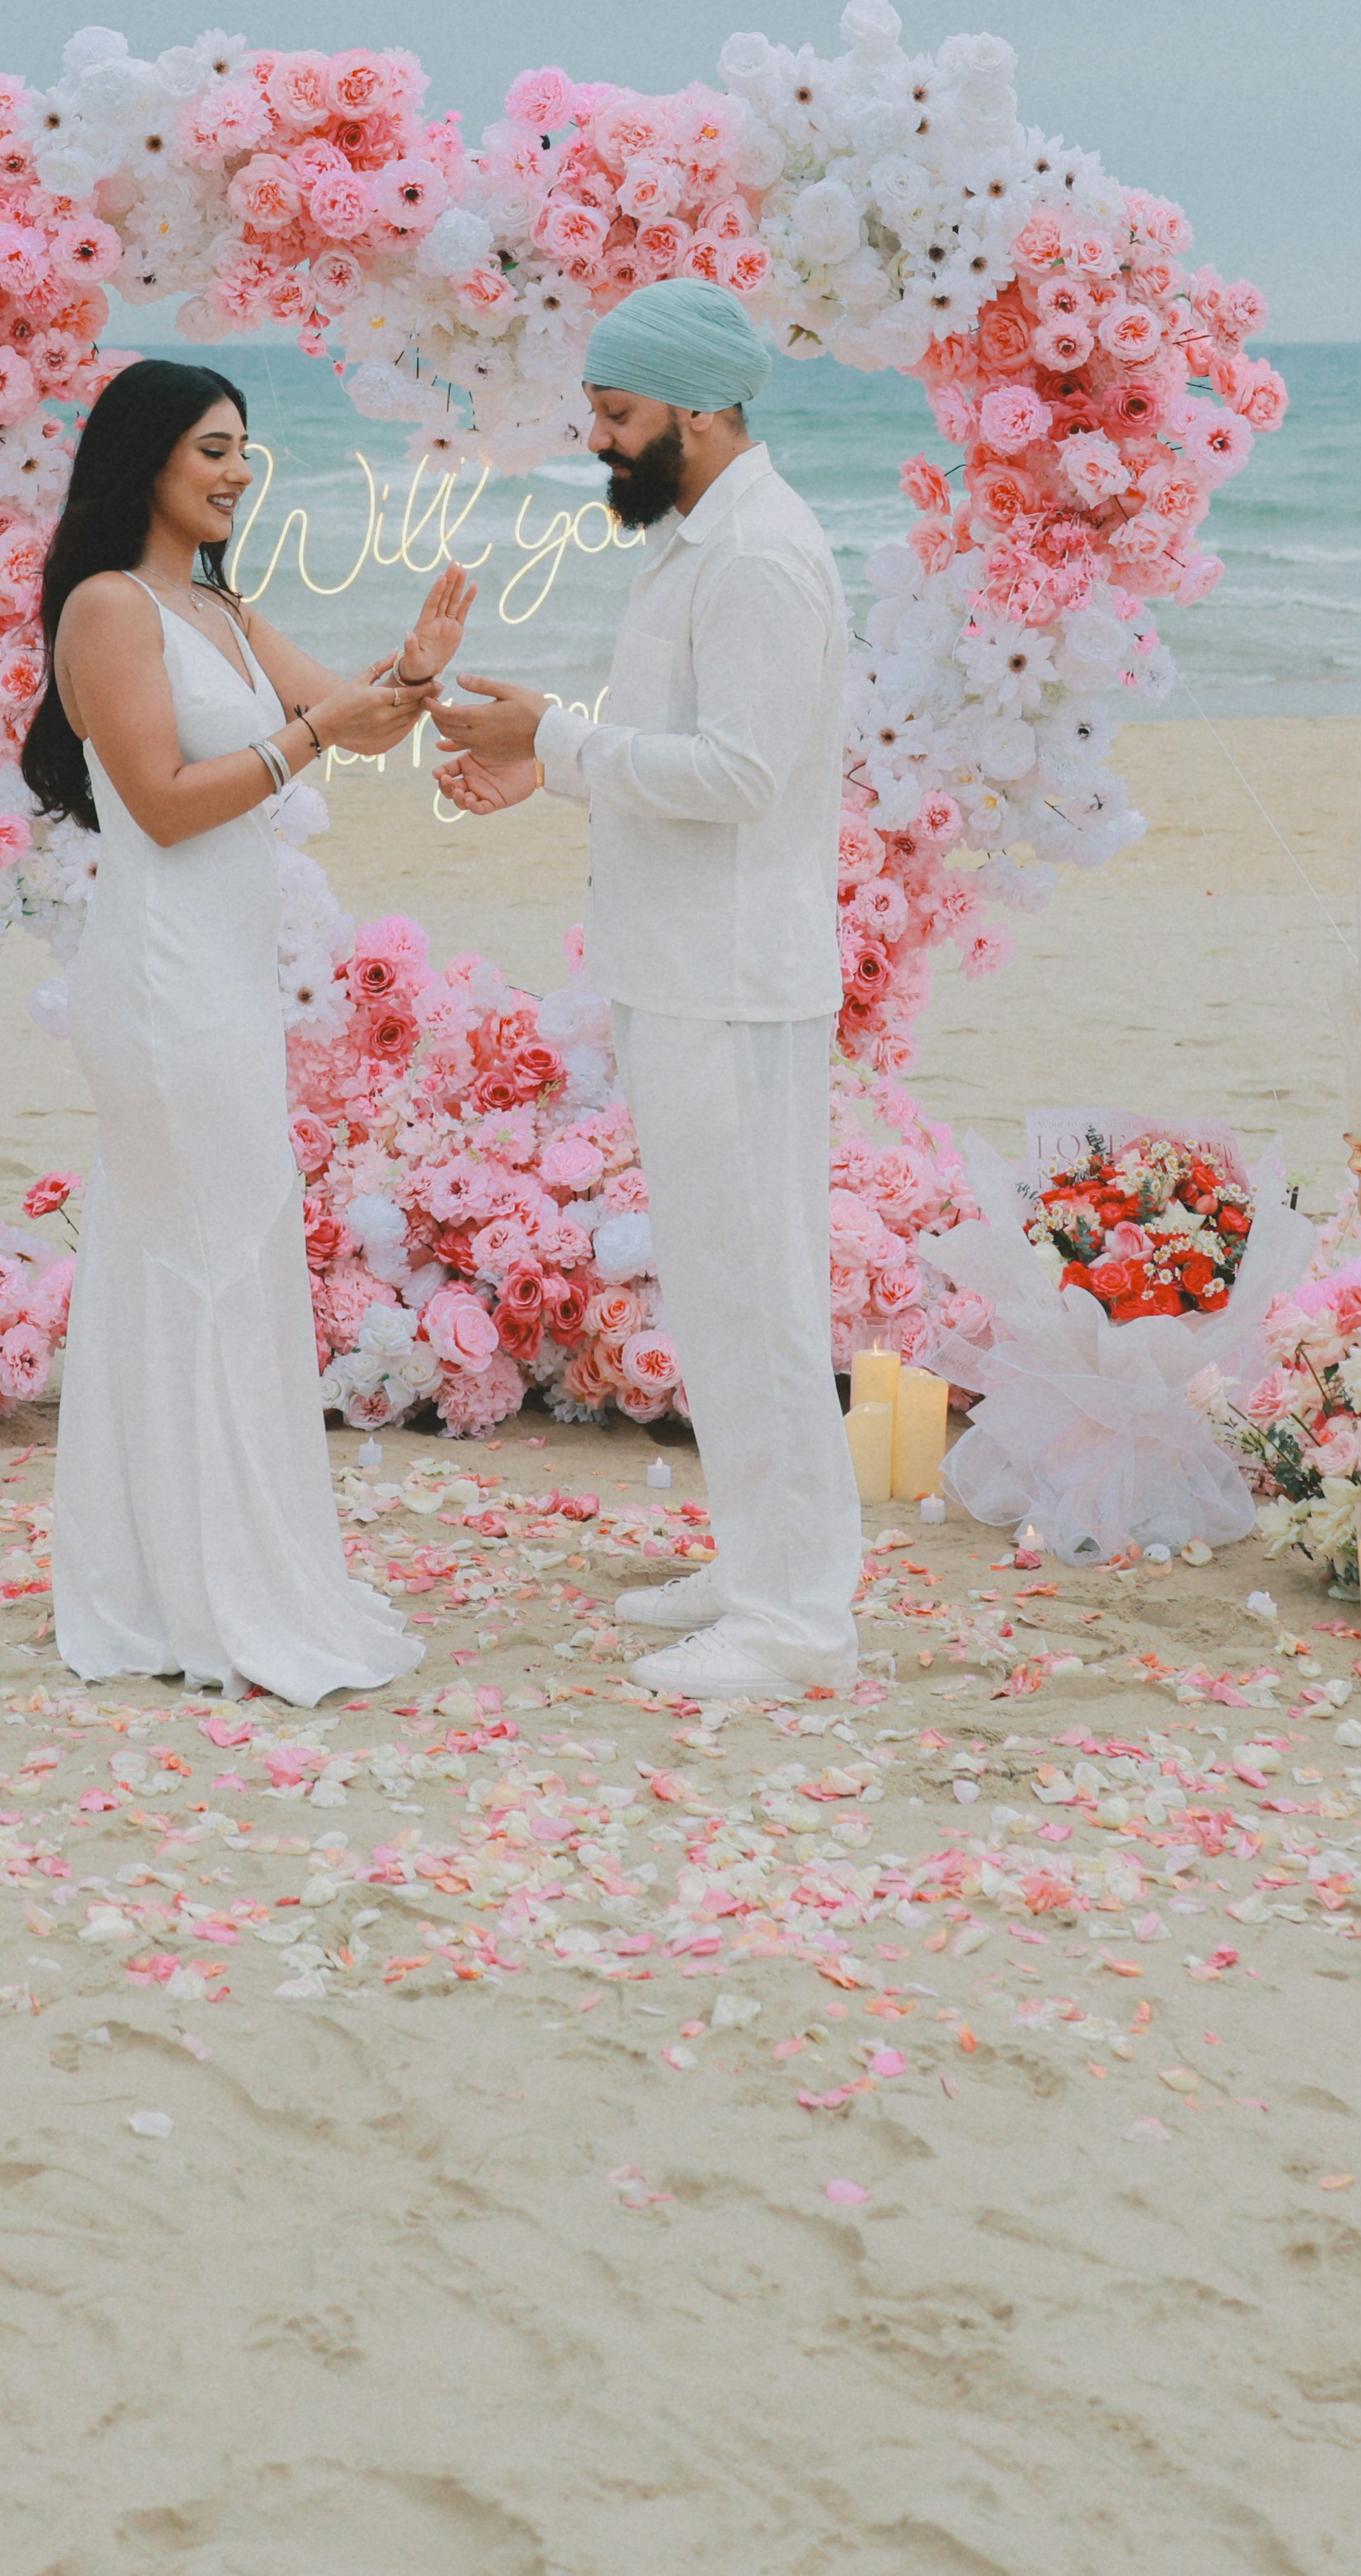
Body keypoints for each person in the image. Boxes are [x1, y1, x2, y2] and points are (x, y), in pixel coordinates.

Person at [429, 282, 860, 1698]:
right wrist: (543, 765)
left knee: (761, 1297)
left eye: (616, 415)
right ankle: (755, 1568)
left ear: (698, 406)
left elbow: (739, 775)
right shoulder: (696, 540)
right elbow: (673, 752)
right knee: (718, 1287)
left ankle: (797, 1625)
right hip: (681, 969)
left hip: (733, 982)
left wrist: (555, 737)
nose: (599, 440)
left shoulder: (758, 557)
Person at [27, 355, 472, 1700]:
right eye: (211, 448)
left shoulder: (216, 608)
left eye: (243, 450)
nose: (235, 472)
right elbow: (163, 802)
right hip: (160, 981)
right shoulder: (109, 607)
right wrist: (315, 733)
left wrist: (413, 675)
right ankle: (190, 1592)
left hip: (221, 978)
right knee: (199, 1260)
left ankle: (204, 1570)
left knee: (231, 1254)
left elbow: (359, 722)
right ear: (146, 458)